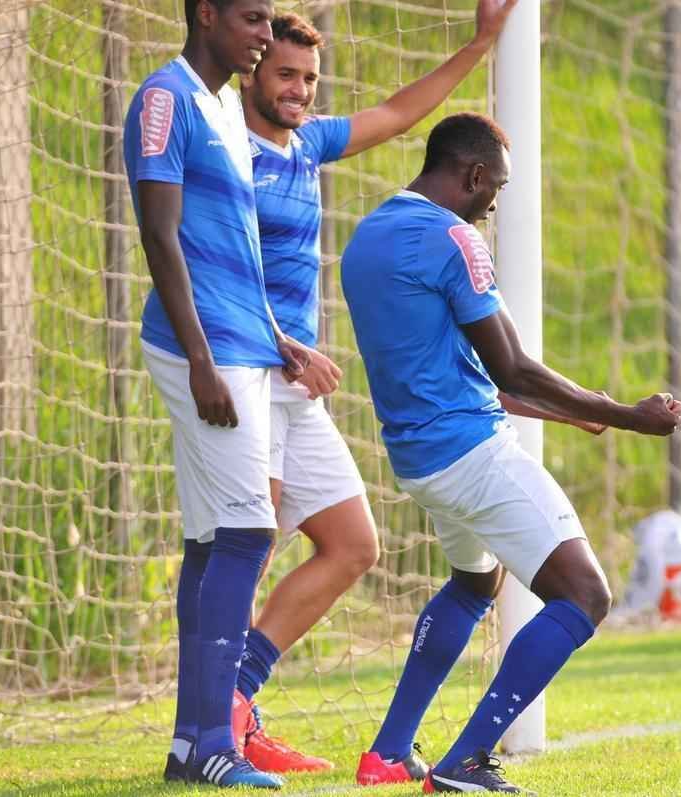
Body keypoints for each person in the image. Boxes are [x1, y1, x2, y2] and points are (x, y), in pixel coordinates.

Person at [223, 2, 523, 777]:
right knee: (247, 545)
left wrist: (480, 42)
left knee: (353, 543)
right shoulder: (224, 145)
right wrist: (279, 346)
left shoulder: (308, 144)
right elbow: (210, 264)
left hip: (297, 383)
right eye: (284, 73)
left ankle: (237, 699)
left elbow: (397, 113)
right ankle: (213, 721)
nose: (298, 90)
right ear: (251, 65)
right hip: (247, 369)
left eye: (310, 80)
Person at [341, 112, 681, 793]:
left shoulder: (368, 235)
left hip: (420, 458)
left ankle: (387, 753)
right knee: (585, 594)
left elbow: (437, 365)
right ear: (472, 176)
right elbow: (511, 368)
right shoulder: (453, 238)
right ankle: (466, 759)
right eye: (493, 191)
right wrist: (626, 414)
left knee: (477, 582)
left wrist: (568, 407)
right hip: (473, 454)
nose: (493, 206)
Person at [124, 0, 315, 788]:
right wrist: (202, 358)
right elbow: (159, 233)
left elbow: (233, 244)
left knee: (213, 541)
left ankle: (188, 742)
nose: (264, 34)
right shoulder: (165, 98)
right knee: (245, 534)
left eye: (269, 20)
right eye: (252, 18)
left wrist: (278, 340)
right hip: (205, 350)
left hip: (244, 343)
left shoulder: (222, 110)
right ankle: (213, 742)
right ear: (206, 15)